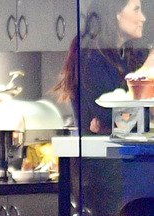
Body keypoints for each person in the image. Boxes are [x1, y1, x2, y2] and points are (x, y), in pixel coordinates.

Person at [53, 0, 154, 134]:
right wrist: (146, 72)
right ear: (116, 13)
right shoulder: (91, 56)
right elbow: (120, 121)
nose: (143, 18)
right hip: (99, 151)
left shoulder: (128, 55)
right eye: (136, 10)